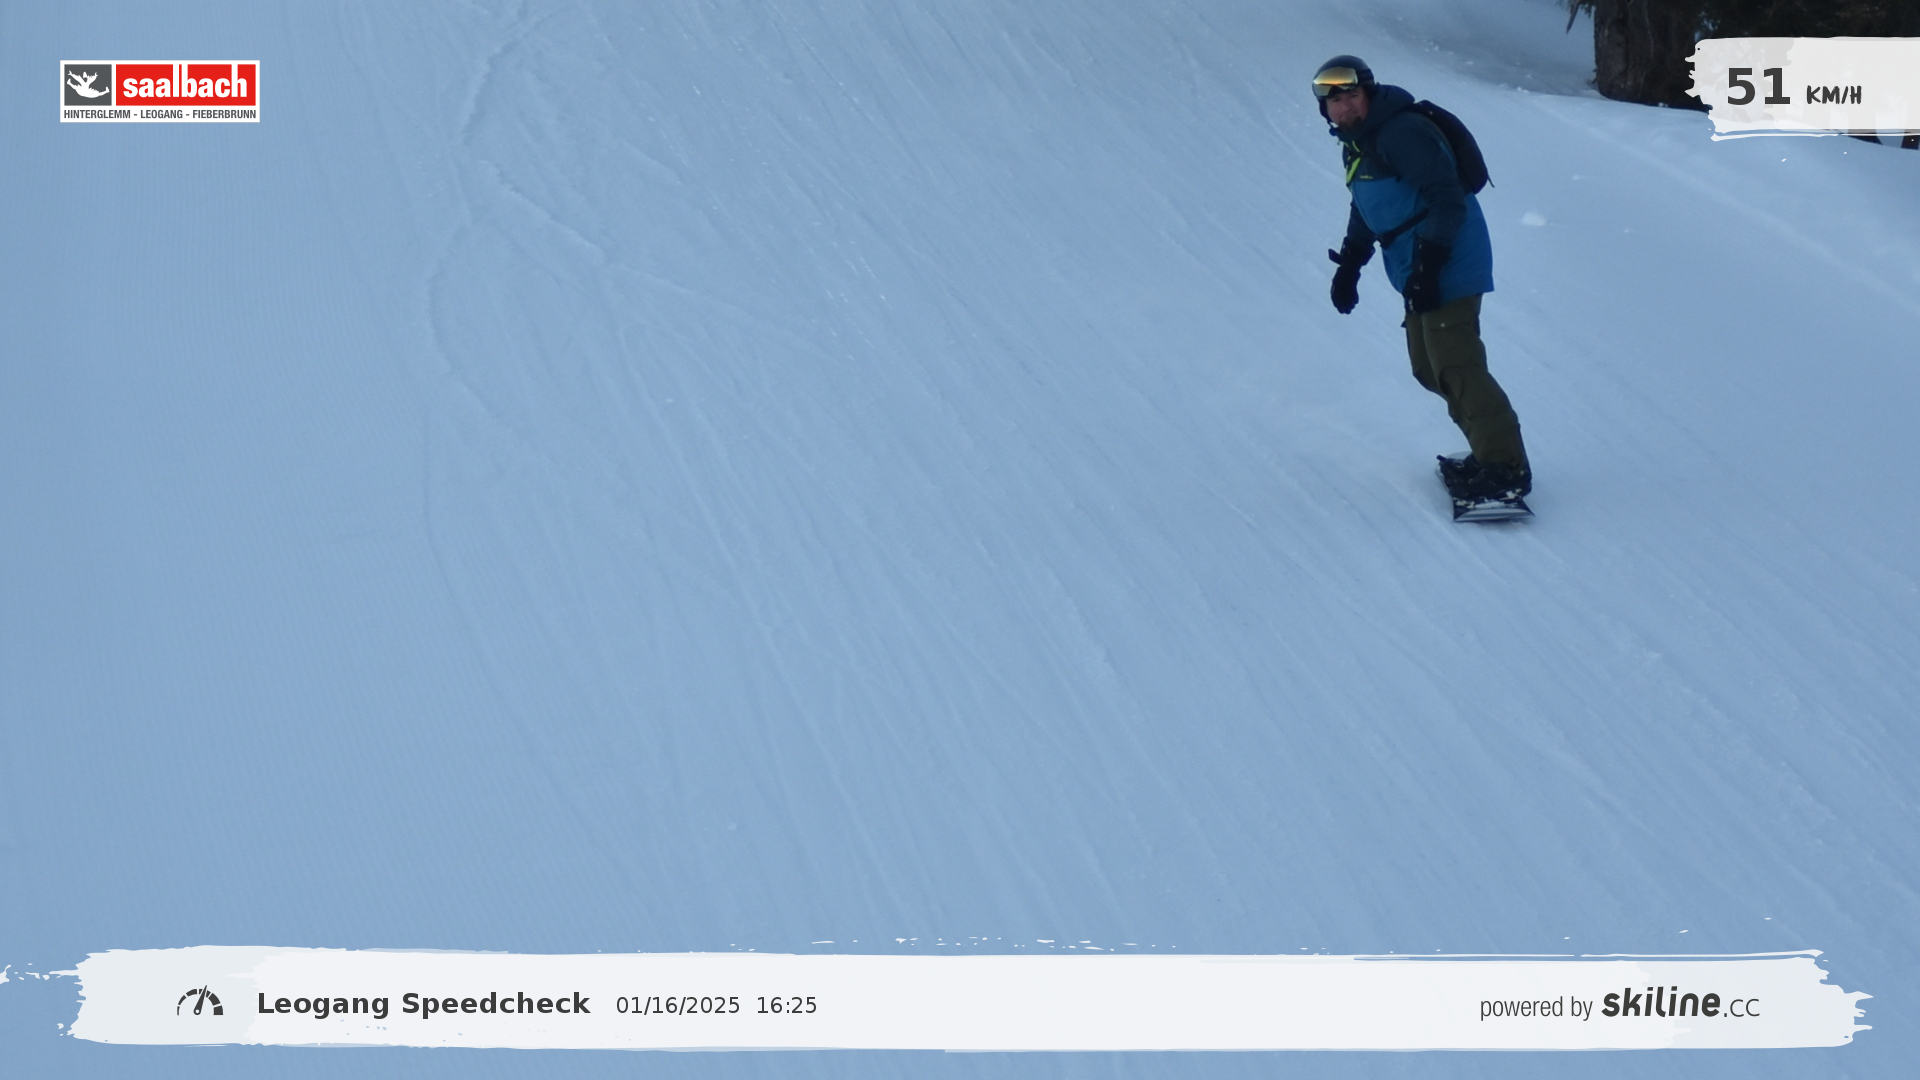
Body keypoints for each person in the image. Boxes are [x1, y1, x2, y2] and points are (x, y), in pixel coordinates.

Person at [1315, 55, 1531, 501]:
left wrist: (1429, 267)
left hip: (1449, 258)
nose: (1343, 107)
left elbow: (1447, 198)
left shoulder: (1400, 133)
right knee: (1429, 369)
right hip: (1418, 265)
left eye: (1351, 96)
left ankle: (1506, 468)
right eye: (1333, 101)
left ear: (1368, 93)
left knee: (1457, 366)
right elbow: (1367, 204)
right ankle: (1487, 452)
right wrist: (1351, 264)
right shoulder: (1358, 143)